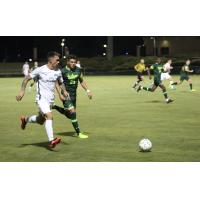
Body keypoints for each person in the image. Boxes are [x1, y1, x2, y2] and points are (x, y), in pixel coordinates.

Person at [16, 51, 69, 149]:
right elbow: (26, 79)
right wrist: (22, 91)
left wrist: (64, 91)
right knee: (49, 116)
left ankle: (26, 120)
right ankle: (52, 140)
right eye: (57, 60)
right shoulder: (40, 70)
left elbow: (60, 82)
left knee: (41, 120)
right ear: (51, 60)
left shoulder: (58, 71)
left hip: (50, 101)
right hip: (41, 99)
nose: (58, 61)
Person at [52, 55, 92, 139]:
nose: (73, 64)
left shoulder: (78, 70)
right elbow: (56, 83)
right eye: (71, 62)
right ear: (67, 62)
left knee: (69, 115)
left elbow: (81, 81)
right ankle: (79, 133)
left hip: (74, 95)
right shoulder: (62, 71)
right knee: (73, 113)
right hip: (66, 95)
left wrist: (88, 90)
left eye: (74, 62)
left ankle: (54, 106)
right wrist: (60, 94)